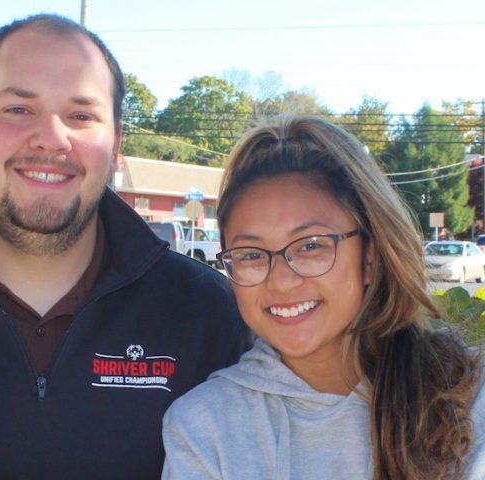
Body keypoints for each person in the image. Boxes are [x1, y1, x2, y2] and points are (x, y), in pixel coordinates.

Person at [0, 14, 249, 480]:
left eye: (81, 116)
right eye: (19, 109)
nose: (52, 139)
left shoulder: (206, 312)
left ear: (116, 144)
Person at [162, 115, 485, 479]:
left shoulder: (467, 397)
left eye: (311, 246)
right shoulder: (202, 426)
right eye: (251, 254)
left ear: (369, 256)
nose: (281, 281)